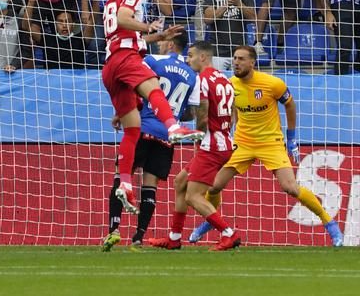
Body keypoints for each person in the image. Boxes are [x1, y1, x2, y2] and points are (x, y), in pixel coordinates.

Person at [188, 45, 344, 247]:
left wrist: (292, 138)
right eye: (234, 58)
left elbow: (290, 104)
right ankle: (211, 221)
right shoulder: (229, 84)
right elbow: (230, 111)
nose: (236, 62)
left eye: (242, 59)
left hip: (270, 142)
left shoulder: (272, 84)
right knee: (215, 185)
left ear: (252, 62)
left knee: (290, 187)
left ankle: (330, 223)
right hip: (242, 143)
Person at [101, 0, 204, 214]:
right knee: (154, 88)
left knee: (132, 131)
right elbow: (125, 20)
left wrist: (157, 36)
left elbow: (123, 29)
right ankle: (173, 127)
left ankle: (124, 184)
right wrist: (148, 25)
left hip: (110, 65)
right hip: (126, 58)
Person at [103, 31, 199, 251]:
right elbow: (191, 113)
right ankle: (138, 237)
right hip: (167, 134)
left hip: (143, 127)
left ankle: (113, 230)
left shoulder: (151, 61)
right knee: (150, 185)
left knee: (122, 176)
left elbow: (136, 88)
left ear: (170, 43)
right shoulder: (193, 75)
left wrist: (123, 112)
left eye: (163, 40)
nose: (160, 44)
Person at [147, 41, 240, 251]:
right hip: (223, 141)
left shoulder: (201, 80)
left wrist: (198, 136)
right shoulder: (225, 80)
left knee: (193, 196)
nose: (188, 60)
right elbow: (233, 113)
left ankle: (229, 233)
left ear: (203, 57)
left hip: (212, 146)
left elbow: (203, 118)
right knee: (180, 182)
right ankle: (174, 237)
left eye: (190, 56)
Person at [23, 0, 97, 69]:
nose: (64, 25)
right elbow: (26, 27)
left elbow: (92, 22)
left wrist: (96, 0)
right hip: (52, 81)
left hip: (75, 80)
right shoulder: (47, 39)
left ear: (73, 24)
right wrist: (30, 3)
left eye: (68, 21)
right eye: (60, 21)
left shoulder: (80, 40)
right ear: (55, 24)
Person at [203, 0, 257, 70]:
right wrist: (226, 5)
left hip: (239, 51)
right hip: (217, 52)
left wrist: (238, 3)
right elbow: (207, 19)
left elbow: (254, 18)